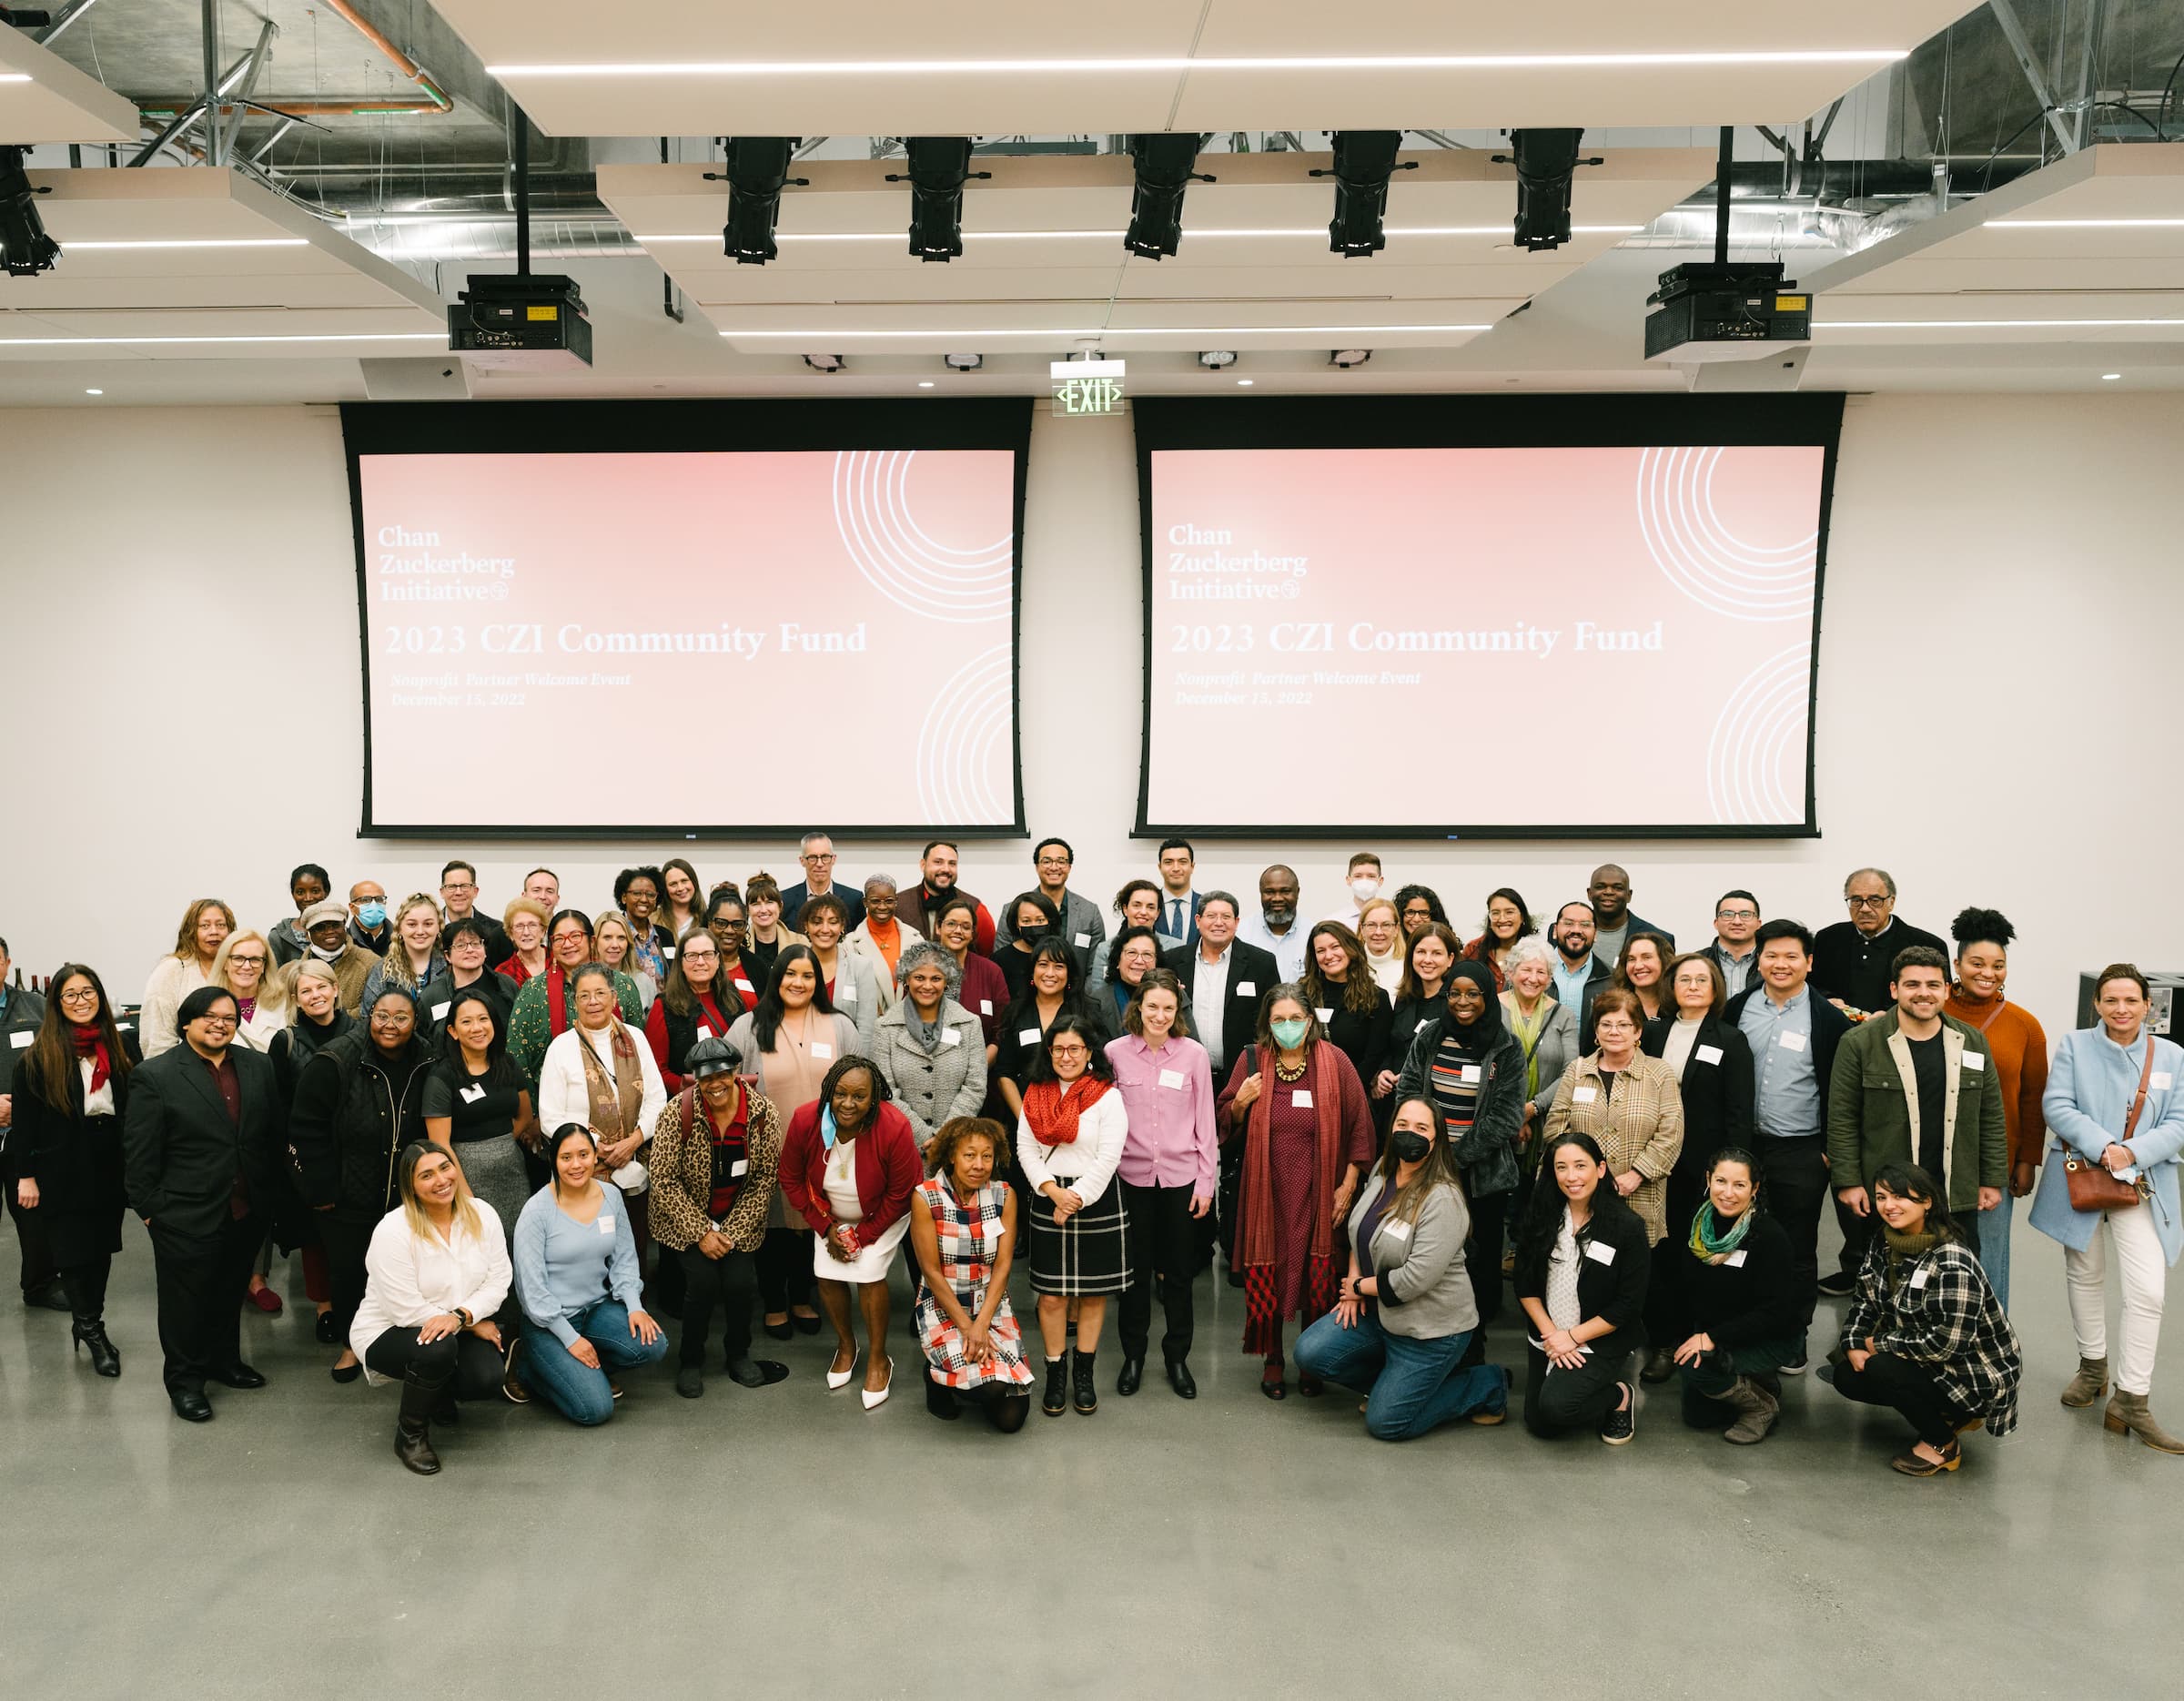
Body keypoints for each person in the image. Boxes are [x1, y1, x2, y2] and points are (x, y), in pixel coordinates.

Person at [2031, 963, 2184, 1453]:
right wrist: (2105, 1147)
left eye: (2131, 1000)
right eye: (2110, 1000)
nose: (2121, 1009)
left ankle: (2132, 1399)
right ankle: (2092, 1367)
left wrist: (2133, 1153)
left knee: (2148, 1292)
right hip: (2082, 1175)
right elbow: (2057, 1105)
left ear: (2148, 1006)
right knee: (2085, 1273)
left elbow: (2180, 1122)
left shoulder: (2173, 1055)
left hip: (2143, 1182)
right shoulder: (2075, 1046)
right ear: (2096, 1004)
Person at [1295, 1097, 1511, 1438]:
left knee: (1386, 1423)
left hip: (1430, 1331)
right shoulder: (1384, 1169)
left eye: (1421, 1128)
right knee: (1310, 1353)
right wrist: (1353, 1283)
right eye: (1402, 1126)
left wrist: (1355, 1288)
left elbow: (1412, 1281)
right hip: (1380, 1314)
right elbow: (1359, 1232)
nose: (1409, 1134)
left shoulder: (1443, 1198)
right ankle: (1394, 1387)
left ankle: (1485, 1384)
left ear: (1436, 1139)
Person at [122, 987, 284, 1423]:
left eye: (229, 1018)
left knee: (230, 1291)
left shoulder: (257, 1065)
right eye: (210, 1016)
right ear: (187, 1022)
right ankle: (185, 1381)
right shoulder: (156, 1075)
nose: (220, 1024)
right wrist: (152, 1211)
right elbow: (139, 1154)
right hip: (183, 1212)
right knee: (185, 1303)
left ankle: (224, 1362)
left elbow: (269, 1135)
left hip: (245, 1207)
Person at [1218, 988, 1376, 1398]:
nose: (1287, 1027)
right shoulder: (1252, 1059)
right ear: (1267, 1024)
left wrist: (1348, 1184)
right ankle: (1272, 1356)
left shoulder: (1334, 1061)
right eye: (1278, 1020)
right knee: (1272, 1268)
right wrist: (1240, 1104)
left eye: (1295, 1019)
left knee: (1314, 1274)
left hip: (1320, 1189)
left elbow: (1361, 1124)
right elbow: (1223, 1118)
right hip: (1266, 1191)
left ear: (1310, 1021)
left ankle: (1310, 1359)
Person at [1827, 945, 2007, 1282]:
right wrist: (1849, 1181)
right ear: (1894, 989)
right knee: (1885, 1281)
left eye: (1932, 985)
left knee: (1957, 1280)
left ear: (1947, 990)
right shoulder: (1859, 1043)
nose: (1923, 993)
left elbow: (1991, 1115)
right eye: (1912, 985)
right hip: (1889, 1192)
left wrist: (1991, 1179)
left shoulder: (1972, 1042)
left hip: (1955, 1189)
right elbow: (1842, 1118)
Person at [1831, 1163, 2021, 1474]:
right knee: (1847, 1376)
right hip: (1926, 1357)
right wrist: (1853, 1343)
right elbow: (1865, 1299)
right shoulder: (1884, 1241)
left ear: (1927, 1202)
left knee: (1880, 1366)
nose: (1888, 1206)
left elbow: (1947, 1346)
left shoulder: (1952, 1261)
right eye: (1881, 1197)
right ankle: (1946, 1413)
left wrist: (1875, 1343)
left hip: (1974, 1375)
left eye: (1899, 1197)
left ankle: (1942, 1443)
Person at [291, 986, 434, 1382]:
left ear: (416, 1022)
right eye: (382, 1016)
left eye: (401, 1017)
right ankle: (351, 1347)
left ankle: (406, 1346)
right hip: (347, 1193)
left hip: (408, 1193)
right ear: (369, 1016)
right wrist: (320, 1190)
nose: (390, 1025)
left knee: (407, 1272)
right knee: (350, 1272)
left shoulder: (428, 1057)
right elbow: (305, 1129)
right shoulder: (336, 1058)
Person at [1542, 987, 1684, 1383]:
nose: (1615, 1031)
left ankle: (1661, 1345)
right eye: (1606, 1024)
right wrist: (1577, 1175)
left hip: (1640, 1193)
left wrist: (1636, 1173)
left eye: (1624, 1024)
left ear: (1639, 1030)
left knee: (1644, 1276)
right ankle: (1598, 1346)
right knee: (1593, 1274)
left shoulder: (1659, 1074)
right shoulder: (1577, 1071)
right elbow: (1557, 1128)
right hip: (1581, 1198)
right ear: (1596, 1029)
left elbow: (1671, 1133)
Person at [1726, 918, 1851, 1359]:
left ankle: (1794, 1335)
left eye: (1791, 956)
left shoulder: (1829, 1019)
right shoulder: (1737, 1008)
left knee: (1797, 1246)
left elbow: (1840, 1088)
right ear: (1758, 960)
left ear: (1809, 962)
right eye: (1771, 955)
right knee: (1741, 1240)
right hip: (1744, 1149)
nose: (1780, 964)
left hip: (1801, 1149)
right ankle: (1745, 1329)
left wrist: (1829, 1151)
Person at [350, 1140, 512, 1474]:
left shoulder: (483, 1214)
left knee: (487, 1378)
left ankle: (436, 1393)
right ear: (410, 1185)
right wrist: (467, 1323)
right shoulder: (393, 1230)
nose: (441, 1180)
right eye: (426, 1175)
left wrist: (462, 1317)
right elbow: (404, 1310)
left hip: (452, 1325)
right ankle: (410, 1435)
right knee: (436, 1350)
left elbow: (499, 1281)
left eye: (445, 1167)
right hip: (388, 1330)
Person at [10, 963, 139, 1377]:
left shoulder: (121, 1048)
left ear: (100, 998)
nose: (81, 1001)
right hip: (61, 1166)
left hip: (108, 1162)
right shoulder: (37, 1059)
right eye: (71, 995)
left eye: (88, 993)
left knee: (101, 1250)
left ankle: (87, 1321)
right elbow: (23, 1128)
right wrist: (24, 1176)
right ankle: (92, 1329)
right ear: (57, 1003)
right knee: (73, 1253)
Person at [725, 945, 855, 1342]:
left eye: (807, 976)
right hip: (766, 1148)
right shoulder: (749, 1026)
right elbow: (726, 1086)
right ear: (776, 978)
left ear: (818, 982)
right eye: (790, 974)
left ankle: (802, 1298)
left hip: (825, 1148)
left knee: (811, 1225)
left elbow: (857, 1084)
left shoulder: (839, 1026)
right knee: (773, 1228)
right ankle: (775, 1303)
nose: (798, 983)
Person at [646, 1037, 788, 1399]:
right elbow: (662, 1177)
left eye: (723, 1075)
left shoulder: (763, 1113)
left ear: (737, 1073)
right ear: (696, 1079)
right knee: (704, 1284)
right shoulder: (677, 1112)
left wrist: (731, 1233)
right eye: (707, 1078)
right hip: (687, 1219)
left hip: (738, 1218)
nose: (716, 1084)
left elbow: (764, 1178)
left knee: (741, 1285)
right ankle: (690, 1359)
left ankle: (738, 1353)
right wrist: (701, 1232)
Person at [1393, 960, 1529, 1337]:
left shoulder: (1507, 1047)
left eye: (1473, 994)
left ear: (1487, 996)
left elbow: (1505, 1118)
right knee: (1426, 1247)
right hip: (1424, 1166)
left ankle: (1474, 1331)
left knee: (1478, 1254)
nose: (1462, 1001)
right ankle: (1429, 1326)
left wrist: (1452, 1160)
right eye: (1455, 993)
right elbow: (1408, 1092)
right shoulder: (1432, 1035)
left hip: (1482, 1175)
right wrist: (1424, 1150)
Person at [779, 1057, 922, 1409]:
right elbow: (791, 1178)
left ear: (874, 1098)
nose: (847, 1103)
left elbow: (902, 1193)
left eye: (859, 1096)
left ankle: (878, 1357)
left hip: (882, 1216)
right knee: (827, 1273)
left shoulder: (894, 1126)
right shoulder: (804, 1120)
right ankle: (846, 1345)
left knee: (870, 1273)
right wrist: (827, 1229)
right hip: (829, 1216)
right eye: (840, 1094)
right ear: (828, 1091)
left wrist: (864, 1235)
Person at [1640, 952, 1754, 1374]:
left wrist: (1728, 1172)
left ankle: (1700, 1338)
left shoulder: (1729, 1039)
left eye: (1700, 979)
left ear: (1714, 988)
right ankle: (1663, 1342)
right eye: (1683, 979)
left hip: (1701, 1169)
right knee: (1659, 1254)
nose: (1691, 986)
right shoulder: (1653, 1034)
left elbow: (1739, 1111)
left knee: (1697, 1255)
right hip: (1652, 1164)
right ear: (1671, 987)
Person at [511, 1126, 669, 1424]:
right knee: (595, 1409)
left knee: (653, 1344)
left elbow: (624, 1259)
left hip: (596, 1309)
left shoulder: (610, 1195)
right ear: (553, 1162)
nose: (576, 1164)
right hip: (550, 1323)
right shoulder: (537, 1212)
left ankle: (580, 1368)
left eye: (584, 1155)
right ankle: (530, 1367)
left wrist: (635, 1306)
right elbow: (532, 1290)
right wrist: (571, 1339)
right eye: (566, 1157)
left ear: (596, 1157)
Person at [1106, 971, 1217, 1398]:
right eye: (1152, 1006)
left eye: (1168, 1008)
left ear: (1178, 1011)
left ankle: (1177, 1358)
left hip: (1181, 1180)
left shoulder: (1193, 1056)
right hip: (1129, 1179)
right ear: (1138, 1007)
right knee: (1133, 1275)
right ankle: (1133, 1357)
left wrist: (1205, 1182)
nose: (1159, 1015)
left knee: (1179, 1275)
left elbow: (1205, 1121)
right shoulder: (1114, 1053)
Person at [1017, 1017, 1132, 1417]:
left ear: (1089, 1054)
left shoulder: (1107, 1097)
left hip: (1095, 1197)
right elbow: (1026, 1151)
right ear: (1049, 1053)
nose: (1066, 1056)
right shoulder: (1036, 1092)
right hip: (1048, 1194)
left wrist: (1076, 1198)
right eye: (1058, 1049)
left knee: (1092, 1295)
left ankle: (1084, 1373)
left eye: (1075, 1049)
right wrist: (1052, 1193)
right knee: (1050, 1296)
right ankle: (1055, 1374)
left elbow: (1109, 1157)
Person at [1512, 1131, 1650, 1444]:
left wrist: (1572, 1337)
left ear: (1600, 1169)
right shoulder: (1541, 1216)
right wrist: (1553, 1336)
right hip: (1549, 1336)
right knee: (1541, 1424)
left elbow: (1628, 1305)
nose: (1571, 1177)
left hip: (1597, 1338)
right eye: (1561, 1167)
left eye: (1580, 1166)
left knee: (1557, 1407)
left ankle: (1619, 1396)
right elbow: (1524, 1285)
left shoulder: (1626, 1226)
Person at [1945, 906, 2049, 1309]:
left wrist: (2027, 1160)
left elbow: (2033, 1100)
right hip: (1935, 1156)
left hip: (1994, 1163)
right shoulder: (1934, 1011)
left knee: (1988, 1258)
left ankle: (1991, 1347)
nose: (1988, 973)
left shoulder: (2025, 1026)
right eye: (1977, 963)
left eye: (1998, 965)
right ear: (1957, 964)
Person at [535, 963, 666, 1273]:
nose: (593, 1001)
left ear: (614, 996)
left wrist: (632, 1142)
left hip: (634, 1165)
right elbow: (550, 1118)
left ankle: (634, 1314)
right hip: (582, 1170)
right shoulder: (561, 1048)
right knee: (588, 1257)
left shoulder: (634, 1038)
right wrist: (596, 1147)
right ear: (574, 1002)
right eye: (584, 995)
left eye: (600, 993)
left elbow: (657, 1099)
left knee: (632, 1250)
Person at [1671, 1148, 1801, 1443]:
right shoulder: (1698, 1226)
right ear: (1708, 1179)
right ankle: (1754, 1380)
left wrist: (1712, 1338)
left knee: (1697, 1369)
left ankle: (1761, 1406)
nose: (1728, 1193)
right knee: (1698, 1417)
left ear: (1754, 1189)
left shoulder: (1769, 1236)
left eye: (1739, 1185)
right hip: (1717, 1326)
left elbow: (1775, 1312)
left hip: (1769, 1335)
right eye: (1720, 1181)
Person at [910, 1117, 1034, 1429]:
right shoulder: (926, 1196)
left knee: (1011, 1419)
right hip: (943, 1306)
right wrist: (969, 1328)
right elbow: (930, 1271)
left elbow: (1004, 1266)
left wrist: (982, 1324)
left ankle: (972, 1380)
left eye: (987, 1156)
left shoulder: (1005, 1195)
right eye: (969, 1155)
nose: (979, 1165)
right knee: (991, 1387)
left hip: (990, 1304)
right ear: (952, 1155)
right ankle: (935, 1380)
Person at [265, 958, 349, 1342]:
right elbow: (277, 1102)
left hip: (353, 1148)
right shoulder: (286, 1041)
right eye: (306, 991)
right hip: (307, 1149)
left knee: (357, 1231)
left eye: (321, 987)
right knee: (314, 1235)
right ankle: (325, 1308)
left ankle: (360, 1304)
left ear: (335, 990)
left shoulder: (361, 1032)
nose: (315, 996)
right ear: (296, 1000)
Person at [420, 990, 537, 1245]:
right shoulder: (442, 1077)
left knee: (520, 1245)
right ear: (452, 1031)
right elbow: (440, 1146)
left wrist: (500, 1145)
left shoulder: (507, 1063)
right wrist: (466, 1196)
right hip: (466, 1178)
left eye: (483, 1019)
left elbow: (525, 1115)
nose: (477, 1028)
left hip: (513, 1173)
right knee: (480, 1247)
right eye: (466, 1021)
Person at [868, 941, 987, 1150]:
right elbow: (885, 1092)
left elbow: (975, 1087)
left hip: (956, 1146)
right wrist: (922, 1137)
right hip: (902, 1146)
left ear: (947, 981)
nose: (927, 986)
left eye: (936, 979)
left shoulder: (969, 1024)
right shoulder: (884, 1028)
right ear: (906, 979)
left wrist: (946, 1136)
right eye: (919, 978)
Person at [506, 910, 644, 1089]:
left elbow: (637, 1047)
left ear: (591, 941)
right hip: (552, 1101)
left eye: (575, 936)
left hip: (619, 1096)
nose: (568, 944)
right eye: (559, 939)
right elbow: (517, 1053)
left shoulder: (621, 985)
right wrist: (533, 1111)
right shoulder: (533, 991)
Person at [1159, 890, 1279, 1089]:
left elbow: (1273, 1018)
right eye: (1211, 916)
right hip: (1182, 1074)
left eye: (1226, 917)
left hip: (1243, 1076)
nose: (1219, 923)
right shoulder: (1172, 961)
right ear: (1198, 920)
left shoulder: (1262, 963)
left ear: (1237, 922)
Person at [0, 935, 56, 1309]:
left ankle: (39, 1286)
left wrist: (24, 1106)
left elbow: (55, 1065)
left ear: (6, 963)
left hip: (22, 1134)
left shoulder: (37, 1007)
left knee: (33, 1215)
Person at [1813, 867, 1949, 1019]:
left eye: (1875, 901)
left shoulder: (1927, 944)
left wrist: (1892, 1016)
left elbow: (1936, 998)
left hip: (1902, 1032)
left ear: (1891, 902)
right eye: (1856, 901)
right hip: (1838, 1030)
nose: (1864, 908)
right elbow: (1811, 986)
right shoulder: (1828, 938)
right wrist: (1827, 1001)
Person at [993, 940, 1102, 1123]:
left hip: (1077, 1119)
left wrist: (1076, 1117)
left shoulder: (1087, 1012)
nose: (1050, 973)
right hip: (1023, 1117)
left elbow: (1099, 1068)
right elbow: (1004, 1073)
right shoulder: (1015, 1012)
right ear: (1032, 970)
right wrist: (1025, 1121)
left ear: (1069, 973)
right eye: (1043, 965)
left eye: (1058, 966)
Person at [1500, 938, 1580, 1174]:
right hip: (1498, 1120)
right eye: (1526, 970)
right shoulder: (1492, 1009)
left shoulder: (1563, 1015)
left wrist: (1532, 1109)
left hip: (1548, 1122)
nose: (1533, 978)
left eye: (1541, 972)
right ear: (1511, 973)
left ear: (1549, 979)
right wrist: (1514, 1114)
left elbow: (1571, 1071)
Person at [996, 837, 1107, 997]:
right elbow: (1001, 960)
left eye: (1061, 861)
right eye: (1047, 861)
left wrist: (1082, 1003)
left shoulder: (1089, 912)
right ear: (1037, 866)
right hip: (1022, 1000)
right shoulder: (1012, 909)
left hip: (1075, 1002)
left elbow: (1094, 968)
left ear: (1069, 867)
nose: (1054, 867)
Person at [1302, 921, 1394, 1100]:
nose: (1329, 956)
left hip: (1352, 1094)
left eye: (1335, 947)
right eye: (1321, 951)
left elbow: (1374, 1056)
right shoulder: (1302, 994)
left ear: (1350, 947)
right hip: (1307, 1092)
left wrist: (1344, 1091)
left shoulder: (1375, 998)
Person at [646, 927, 740, 1092]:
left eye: (707, 954)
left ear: (718, 959)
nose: (701, 962)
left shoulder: (732, 996)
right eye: (692, 956)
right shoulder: (664, 1007)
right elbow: (656, 1071)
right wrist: (698, 1090)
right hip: (689, 1103)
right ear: (681, 963)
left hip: (733, 1097)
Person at [140, 898, 237, 1058]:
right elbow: (157, 1037)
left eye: (221, 925)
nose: (214, 931)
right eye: (205, 925)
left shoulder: (239, 968)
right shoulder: (172, 969)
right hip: (181, 1068)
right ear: (191, 931)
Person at [798, 892, 882, 1048]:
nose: (825, 929)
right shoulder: (795, 965)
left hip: (847, 1060)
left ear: (842, 926)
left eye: (833, 922)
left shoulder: (861, 967)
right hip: (801, 1058)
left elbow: (866, 1029)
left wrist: (857, 1068)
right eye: (817, 922)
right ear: (806, 926)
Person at [930, 894, 1009, 1049]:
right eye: (951, 924)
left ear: (973, 933)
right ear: (938, 928)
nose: (958, 931)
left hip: (981, 1065)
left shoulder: (991, 971)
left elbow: (1002, 1029)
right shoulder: (920, 968)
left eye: (966, 927)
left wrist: (981, 1065)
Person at [416, 917, 512, 1045]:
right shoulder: (432, 996)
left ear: (484, 950)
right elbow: (421, 1042)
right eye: (461, 945)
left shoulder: (505, 984)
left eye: (475, 943)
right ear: (447, 956)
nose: (470, 950)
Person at [1385, 923, 1461, 1072]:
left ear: (1450, 959)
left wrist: (1410, 1079)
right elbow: (1391, 1045)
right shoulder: (1403, 998)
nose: (1427, 960)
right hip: (1395, 1091)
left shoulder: (1457, 1003)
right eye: (1421, 952)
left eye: (1436, 953)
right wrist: (1384, 1070)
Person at [359, 894, 448, 1015]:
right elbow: (367, 1019)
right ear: (400, 928)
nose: (420, 931)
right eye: (412, 924)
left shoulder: (451, 967)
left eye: (428, 924)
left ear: (439, 927)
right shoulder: (382, 971)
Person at [908, 841, 995, 955]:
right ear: (923, 865)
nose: (946, 869)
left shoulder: (976, 908)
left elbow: (986, 955)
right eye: (938, 862)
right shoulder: (899, 905)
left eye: (952, 864)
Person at [212, 929, 288, 1055]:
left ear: (264, 966)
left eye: (255, 959)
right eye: (238, 958)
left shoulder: (283, 1003)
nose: (247, 966)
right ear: (225, 963)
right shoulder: (207, 1005)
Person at [846, 875, 919, 1005]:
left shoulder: (916, 939)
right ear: (865, 902)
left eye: (889, 901)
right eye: (875, 901)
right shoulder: (849, 944)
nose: (882, 907)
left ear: (896, 901)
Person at [1589, 930, 1672, 1046]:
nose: (1638, 966)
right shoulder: (1607, 1005)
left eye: (1646, 957)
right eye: (1631, 959)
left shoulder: (1678, 1007)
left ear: (1664, 961)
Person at [296, 898, 376, 1017]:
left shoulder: (370, 962)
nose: (329, 931)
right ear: (308, 934)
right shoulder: (291, 972)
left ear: (344, 926)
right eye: (320, 927)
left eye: (335, 925)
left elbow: (374, 1008)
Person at [1586, 864, 1673, 970]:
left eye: (1618, 888)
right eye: (1601, 887)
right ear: (1589, 893)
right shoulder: (1565, 936)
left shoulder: (1660, 939)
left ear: (1629, 895)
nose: (1608, 892)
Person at [1545, 901, 1610, 1039]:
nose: (1576, 930)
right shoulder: (1529, 973)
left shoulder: (1611, 978)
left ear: (1596, 934)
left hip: (1591, 1060)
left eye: (1585, 925)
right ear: (1555, 931)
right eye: (1568, 923)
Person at [782, 832, 865, 932]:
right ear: (802, 861)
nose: (820, 864)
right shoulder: (785, 900)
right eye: (812, 858)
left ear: (833, 859)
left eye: (825, 857)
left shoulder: (853, 900)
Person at [1101, 926, 1175, 1036]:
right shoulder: (1097, 1001)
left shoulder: (1173, 995)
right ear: (1118, 960)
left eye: (1147, 954)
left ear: (1156, 962)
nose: (1139, 961)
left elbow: (1191, 1044)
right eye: (1132, 953)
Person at [1239, 864, 1309, 980]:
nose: (1277, 898)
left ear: (1298, 892)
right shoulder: (1241, 933)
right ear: (1260, 893)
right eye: (1269, 892)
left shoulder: (1313, 934)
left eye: (1285, 891)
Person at [995, 891, 1063, 1006]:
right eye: (1026, 921)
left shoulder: (1062, 955)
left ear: (1049, 921)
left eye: (1040, 920)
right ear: (1017, 923)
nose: (1034, 926)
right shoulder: (1001, 959)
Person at [437, 859, 511, 965]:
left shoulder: (496, 931)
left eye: (464, 886)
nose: (458, 892)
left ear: (475, 891)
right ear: (442, 892)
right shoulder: (429, 930)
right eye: (451, 887)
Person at [702, 890, 763, 1018]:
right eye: (721, 923)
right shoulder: (694, 964)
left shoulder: (758, 967)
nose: (729, 930)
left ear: (746, 926)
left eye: (737, 925)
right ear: (709, 924)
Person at [741, 872, 804, 992]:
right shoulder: (739, 944)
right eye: (756, 904)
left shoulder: (800, 943)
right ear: (747, 910)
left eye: (769, 902)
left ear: (780, 906)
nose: (763, 910)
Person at [612, 866, 675, 985]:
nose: (644, 899)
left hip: (662, 1003)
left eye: (650, 895)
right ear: (624, 897)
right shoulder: (614, 933)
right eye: (637, 893)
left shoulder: (665, 935)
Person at [1462, 887, 1535, 990]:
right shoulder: (1473, 949)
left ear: (1522, 917)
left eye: (1509, 912)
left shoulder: (1536, 951)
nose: (1502, 919)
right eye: (1495, 913)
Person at [593, 910, 661, 1014]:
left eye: (621, 938)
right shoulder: (583, 981)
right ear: (594, 941)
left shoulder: (643, 981)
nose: (615, 945)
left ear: (628, 943)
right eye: (607, 937)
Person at [269, 863, 332, 967]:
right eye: (300, 892)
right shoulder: (278, 937)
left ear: (326, 892)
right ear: (293, 895)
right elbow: (273, 980)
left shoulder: (339, 933)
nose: (308, 898)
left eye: (315, 891)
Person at [1704, 891, 1763, 999]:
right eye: (1728, 914)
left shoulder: (1772, 964)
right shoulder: (1698, 961)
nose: (1737, 921)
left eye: (1746, 915)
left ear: (1759, 924)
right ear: (1716, 923)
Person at [1153, 837, 1203, 950]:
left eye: (1183, 862)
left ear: (1192, 866)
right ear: (1160, 867)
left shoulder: (1207, 906)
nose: (1176, 868)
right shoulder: (1148, 905)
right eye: (1168, 862)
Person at [495, 897, 550, 987]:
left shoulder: (558, 960)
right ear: (511, 934)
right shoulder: (504, 973)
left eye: (532, 925)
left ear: (543, 931)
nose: (526, 932)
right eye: (519, 926)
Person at [1324, 851, 1384, 929]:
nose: (1364, 881)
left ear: (1380, 881)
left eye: (1371, 876)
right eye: (1358, 876)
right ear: (1348, 880)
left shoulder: (1390, 919)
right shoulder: (1333, 922)